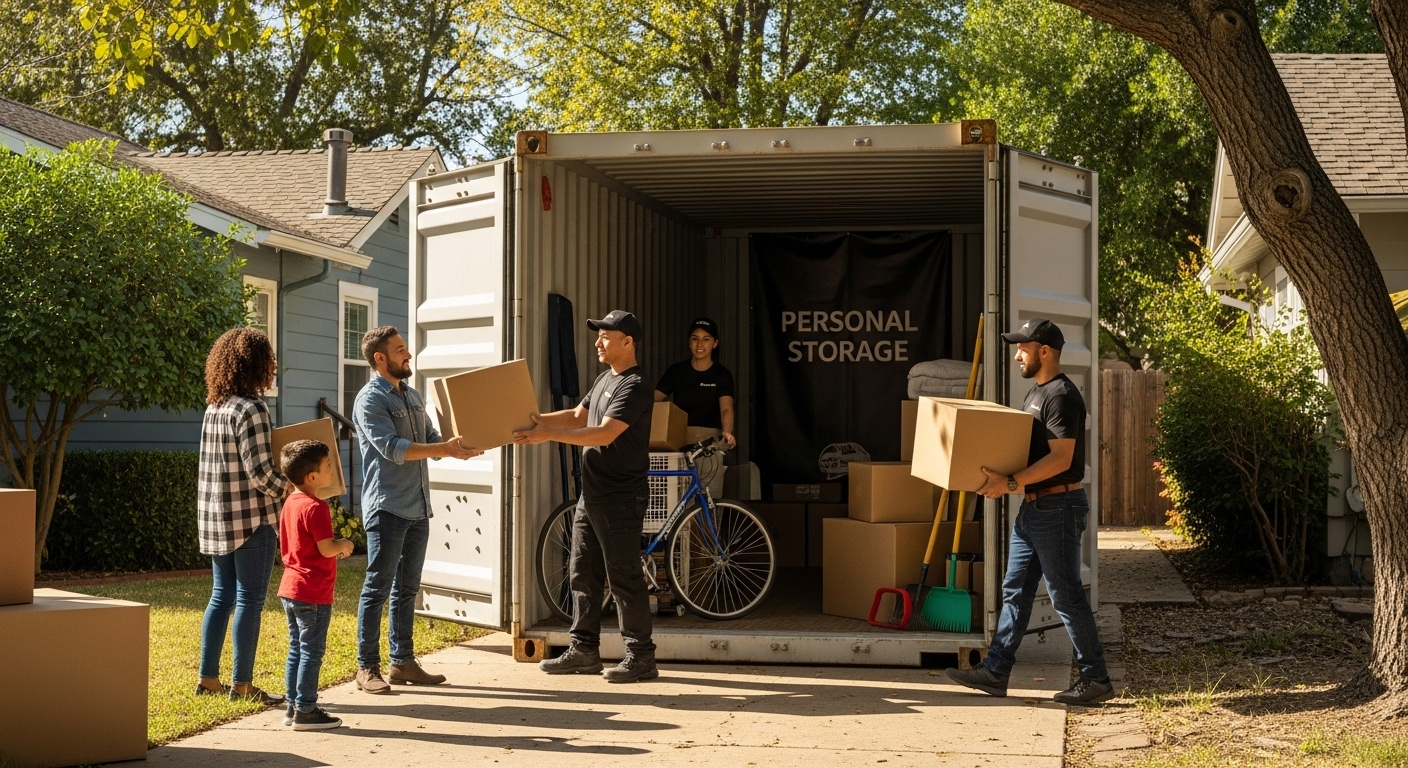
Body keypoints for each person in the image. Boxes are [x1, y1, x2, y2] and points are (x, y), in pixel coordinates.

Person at [944, 317, 1113, 706]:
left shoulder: (1062, 395)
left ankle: (1096, 678)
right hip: (1035, 508)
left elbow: (1060, 458)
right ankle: (996, 671)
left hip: (1057, 506)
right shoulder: (1034, 394)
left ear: (1045, 352)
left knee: (1065, 595)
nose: (1017, 354)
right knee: (1015, 590)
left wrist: (1010, 483)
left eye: (1023, 347)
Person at [514, 310, 658, 684]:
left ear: (628, 342)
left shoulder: (635, 384)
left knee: (623, 576)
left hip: (620, 497)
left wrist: (547, 435)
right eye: (598, 336)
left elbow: (604, 433)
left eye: (606, 337)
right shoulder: (604, 380)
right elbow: (579, 415)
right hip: (591, 496)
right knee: (582, 574)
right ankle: (584, 651)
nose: (597, 342)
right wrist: (534, 421)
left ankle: (641, 657)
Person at [352, 325, 481, 694]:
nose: (408, 355)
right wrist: (443, 449)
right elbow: (394, 448)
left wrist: (464, 445)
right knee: (377, 587)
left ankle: (402, 661)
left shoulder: (411, 395)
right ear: (381, 358)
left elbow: (432, 441)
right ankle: (366, 668)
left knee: (407, 589)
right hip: (388, 507)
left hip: (418, 507)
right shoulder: (370, 400)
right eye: (400, 350)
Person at [195, 327, 288, 705]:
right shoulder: (253, 409)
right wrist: (297, 487)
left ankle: (208, 679)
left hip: (218, 519)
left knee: (221, 596)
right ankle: (243, 684)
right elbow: (262, 474)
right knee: (250, 599)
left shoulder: (214, 407)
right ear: (258, 365)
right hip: (252, 521)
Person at [276, 439, 353, 731]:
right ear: (312, 477)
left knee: (296, 649)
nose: (332, 469)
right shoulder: (316, 507)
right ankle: (306, 710)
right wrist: (344, 544)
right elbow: (325, 548)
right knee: (311, 651)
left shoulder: (290, 503)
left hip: (291, 588)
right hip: (313, 591)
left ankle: (293, 707)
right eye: (328, 465)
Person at [653, 317, 737, 448]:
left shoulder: (722, 375)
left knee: (708, 465)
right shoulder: (676, 371)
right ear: (689, 342)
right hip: (678, 438)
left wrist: (727, 432)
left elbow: (726, 408)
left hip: (710, 440)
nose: (699, 345)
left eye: (706, 339)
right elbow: (653, 400)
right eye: (695, 339)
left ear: (715, 343)